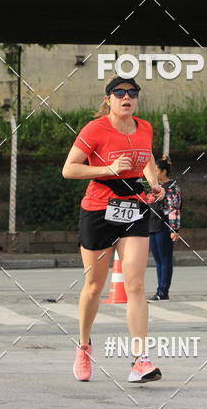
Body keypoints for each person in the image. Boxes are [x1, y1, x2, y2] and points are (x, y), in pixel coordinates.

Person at [62, 76, 164, 384]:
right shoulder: (95, 129)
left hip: (133, 208)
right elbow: (69, 169)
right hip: (99, 210)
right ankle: (83, 346)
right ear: (108, 99)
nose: (126, 97)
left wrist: (154, 183)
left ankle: (140, 360)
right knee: (94, 286)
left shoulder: (144, 127)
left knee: (134, 283)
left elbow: (145, 158)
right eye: (119, 93)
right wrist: (107, 169)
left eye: (132, 93)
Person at [148, 157, 182, 300]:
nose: (154, 172)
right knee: (157, 259)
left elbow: (174, 208)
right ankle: (159, 289)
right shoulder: (153, 185)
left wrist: (174, 229)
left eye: (156, 170)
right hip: (152, 225)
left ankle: (163, 291)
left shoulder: (172, 187)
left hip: (165, 225)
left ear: (163, 171)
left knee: (165, 259)